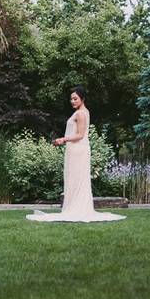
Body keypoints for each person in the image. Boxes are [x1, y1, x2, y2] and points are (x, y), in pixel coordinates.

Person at [26, 86, 126, 223]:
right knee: (74, 178)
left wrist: (63, 139)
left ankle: (77, 209)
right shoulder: (84, 111)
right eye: (71, 99)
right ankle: (75, 206)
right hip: (78, 149)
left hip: (77, 149)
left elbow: (79, 135)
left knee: (77, 178)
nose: (72, 101)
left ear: (82, 99)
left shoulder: (80, 114)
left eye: (75, 99)